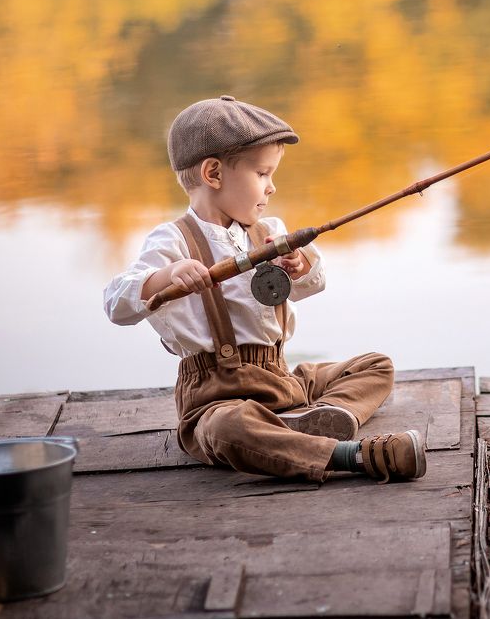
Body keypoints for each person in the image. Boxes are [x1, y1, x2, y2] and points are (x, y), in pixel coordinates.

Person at [103, 95, 426, 483]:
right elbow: (116, 303)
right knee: (227, 429)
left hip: (281, 379)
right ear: (213, 174)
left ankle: (315, 421)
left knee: (375, 365)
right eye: (262, 174)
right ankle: (349, 455)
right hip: (217, 397)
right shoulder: (172, 241)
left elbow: (313, 283)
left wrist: (301, 263)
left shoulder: (269, 231)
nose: (271, 187)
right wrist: (166, 275)